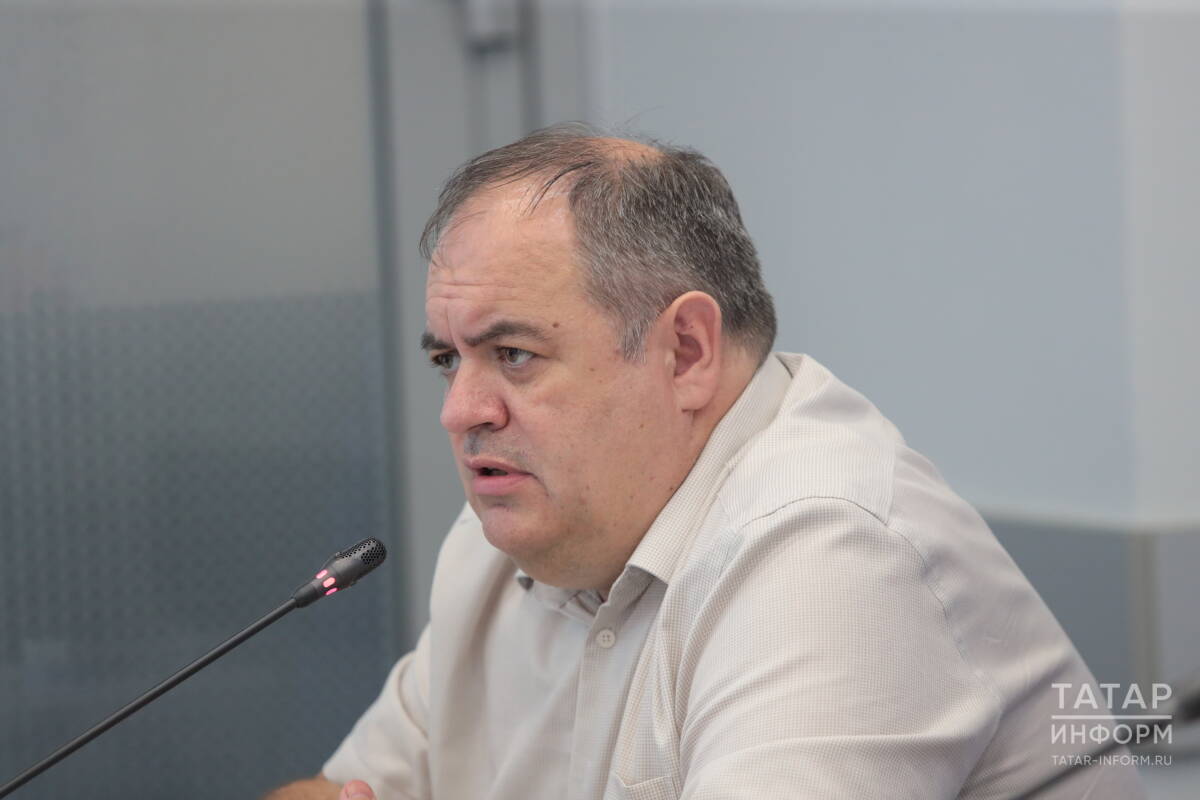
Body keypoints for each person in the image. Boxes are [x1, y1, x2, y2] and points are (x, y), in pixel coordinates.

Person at [269, 124, 1145, 799]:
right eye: (447, 359)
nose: (461, 410)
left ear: (686, 351)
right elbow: (345, 787)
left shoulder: (828, 549)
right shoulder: (507, 538)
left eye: (515, 355)